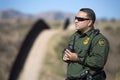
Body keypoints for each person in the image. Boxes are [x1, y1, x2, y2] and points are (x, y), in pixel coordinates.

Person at [62, 8, 109, 80]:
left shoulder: (98, 39)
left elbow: (99, 62)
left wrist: (77, 58)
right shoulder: (75, 36)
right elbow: (67, 50)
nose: (76, 21)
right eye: (75, 18)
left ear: (89, 22)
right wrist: (65, 56)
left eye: (80, 19)